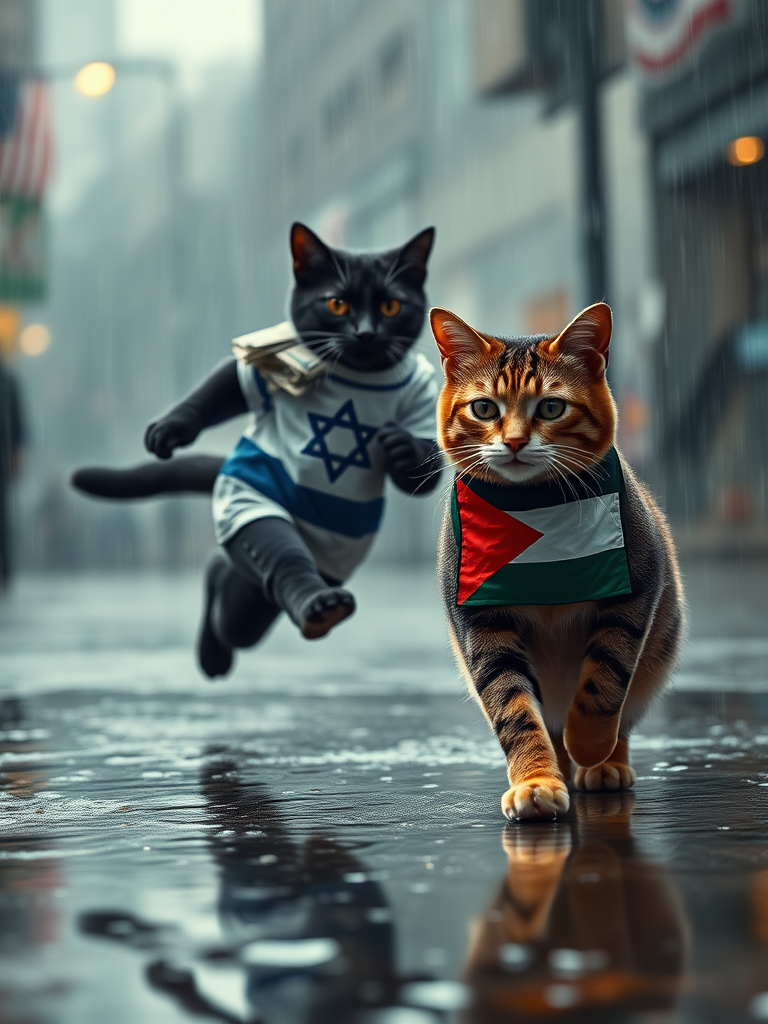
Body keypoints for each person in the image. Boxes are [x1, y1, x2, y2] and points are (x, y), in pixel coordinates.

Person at [0, 358, 26, 591]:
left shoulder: (7, 378)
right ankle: (6, 569)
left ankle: (6, 570)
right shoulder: (7, 378)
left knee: (2, 517)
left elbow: (17, 419)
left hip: (2, 456)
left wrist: (16, 452)